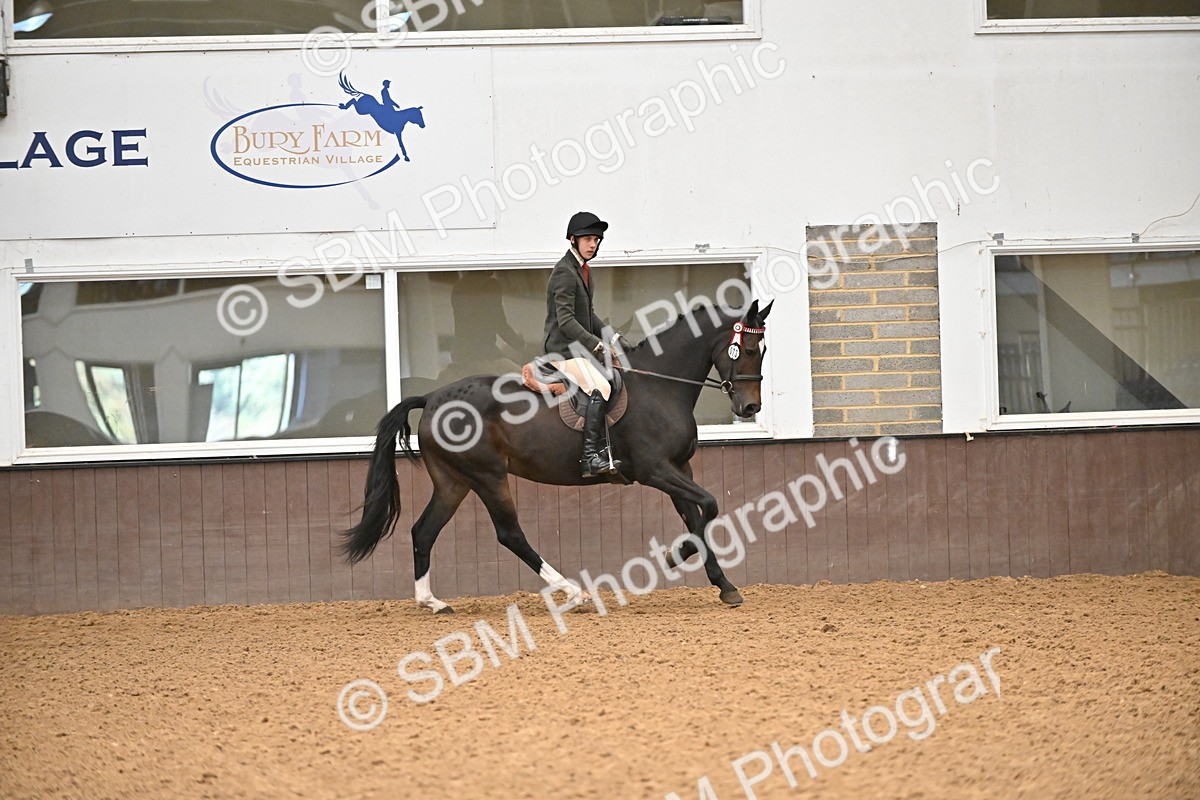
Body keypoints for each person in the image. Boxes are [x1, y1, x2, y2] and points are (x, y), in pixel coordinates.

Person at [543, 211, 626, 478]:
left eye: (597, 239)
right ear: (572, 240)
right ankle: (590, 457)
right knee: (600, 386)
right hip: (562, 350)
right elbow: (566, 321)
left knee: (612, 378)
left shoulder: (583, 271)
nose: (593, 244)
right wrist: (598, 346)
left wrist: (613, 338)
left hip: (577, 349)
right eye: (588, 239)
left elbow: (587, 316)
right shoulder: (565, 273)